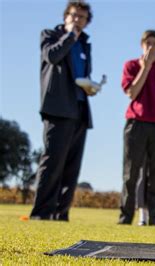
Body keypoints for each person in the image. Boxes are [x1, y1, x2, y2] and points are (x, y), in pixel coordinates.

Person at [30, 1, 95, 221]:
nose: (77, 21)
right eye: (74, 16)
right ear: (66, 16)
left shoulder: (85, 44)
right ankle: (42, 212)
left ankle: (61, 213)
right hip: (58, 108)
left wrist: (90, 87)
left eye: (82, 18)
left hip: (79, 109)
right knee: (52, 162)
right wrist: (69, 37)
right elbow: (52, 57)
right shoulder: (50, 35)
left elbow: (82, 74)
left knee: (72, 166)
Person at [118, 30, 155, 226]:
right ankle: (125, 216)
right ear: (142, 44)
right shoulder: (132, 65)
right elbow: (132, 93)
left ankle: (154, 218)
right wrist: (145, 68)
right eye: (148, 43)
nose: (151, 46)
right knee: (130, 173)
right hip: (136, 124)